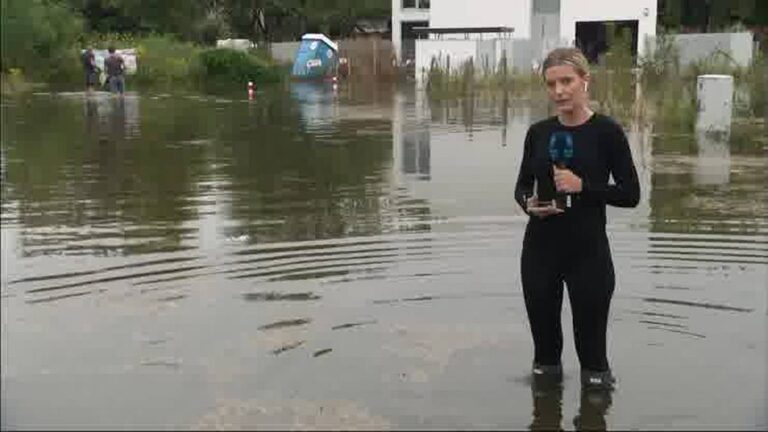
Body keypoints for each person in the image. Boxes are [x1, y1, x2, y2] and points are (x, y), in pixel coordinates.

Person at [514, 47, 640, 391]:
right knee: (545, 356)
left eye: (567, 81)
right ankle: (544, 414)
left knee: (593, 356)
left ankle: (595, 413)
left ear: (586, 81)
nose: (559, 91)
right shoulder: (538, 133)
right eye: (551, 83)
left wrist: (583, 186)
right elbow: (522, 185)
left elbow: (631, 195)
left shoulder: (607, 132)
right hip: (539, 254)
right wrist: (530, 203)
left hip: (589, 256)